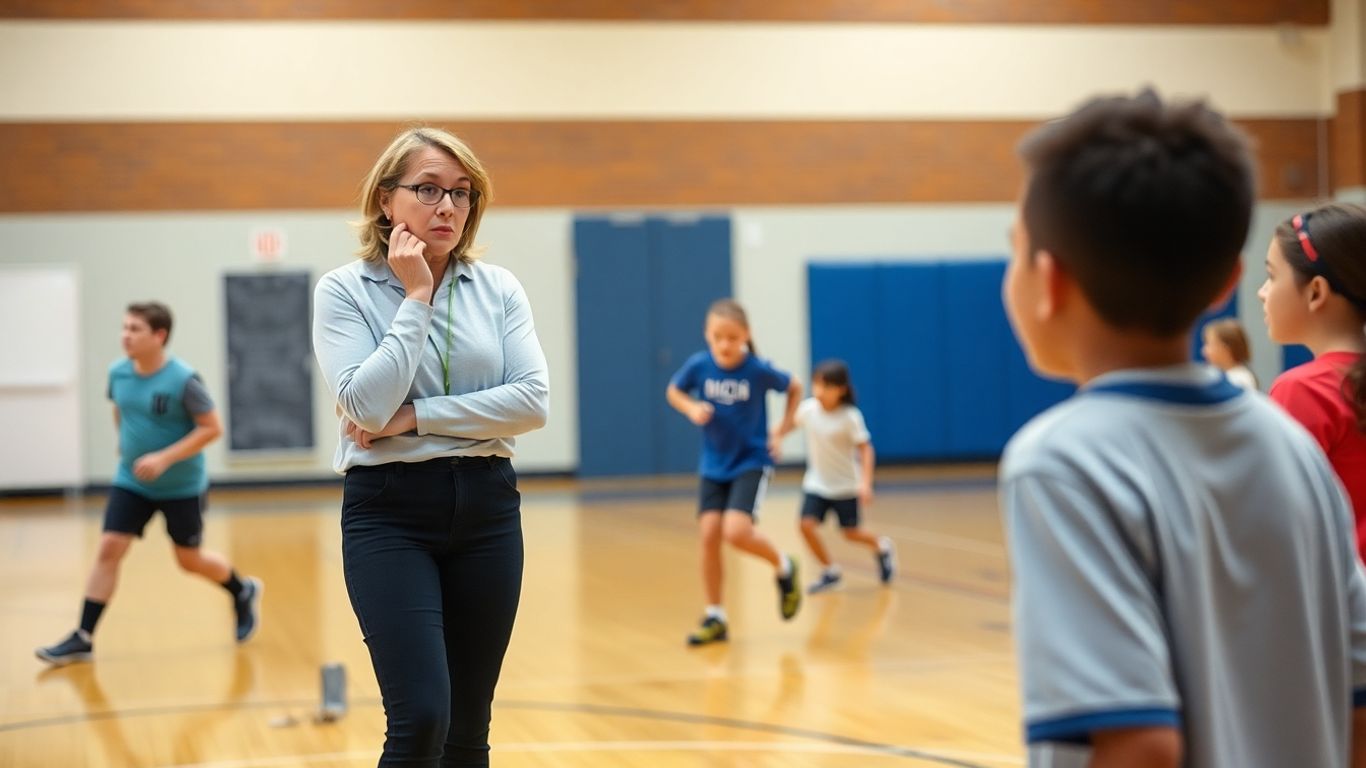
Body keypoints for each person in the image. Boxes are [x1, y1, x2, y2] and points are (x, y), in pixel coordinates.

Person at [999, 90, 1366, 767]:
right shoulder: (1293, 450)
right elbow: (1358, 698)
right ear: (1227, 281)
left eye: (1014, 251)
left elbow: (1137, 747)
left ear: (1048, 280)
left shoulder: (1060, 463)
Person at [312, 126, 548, 767]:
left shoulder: (498, 288)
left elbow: (531, 402)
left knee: (469, 730)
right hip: (390, 513)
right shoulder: (344, 291)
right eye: (429, 189)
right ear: (388, 201)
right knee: (420, 720)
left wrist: (413, 416)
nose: (448, 207)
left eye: (462, 194)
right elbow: (363, 407)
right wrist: (415, 295)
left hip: (488, 510)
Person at [36, 302, 261, 666]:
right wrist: (124, 444)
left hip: (181, 486)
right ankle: (83, 637)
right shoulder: (118, 373)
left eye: (135, 329)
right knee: (109, 547)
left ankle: (242, 590)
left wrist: (163, 458)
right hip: (132, 481)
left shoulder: (184, 380)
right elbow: (120, 408)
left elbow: (212, 428)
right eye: (124, 327)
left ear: (159, 336)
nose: (125, 335)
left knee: (188, 560)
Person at [666, 298, 803, 646]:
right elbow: (674, 391)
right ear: (707, 335)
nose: (725, 344)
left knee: (736, 532)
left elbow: (795, 386)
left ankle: (784, 565)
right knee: (709, 534)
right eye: (717, 337)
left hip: (751, 461)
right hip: (714, 465)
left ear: (746, 335)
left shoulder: (757, 370)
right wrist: (691, 408)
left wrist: (783, 429)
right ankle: (716, 615)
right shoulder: (699, 365)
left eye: (732, 337)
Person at [1260, 202, 1366, 553]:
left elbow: (1276, 526)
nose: (1262, 292)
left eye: (1272, 276)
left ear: (1316, 292)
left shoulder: (1302, 389)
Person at [775, 359, 894, 593]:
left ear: (841, 389)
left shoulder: (850, 417)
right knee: (805, 525)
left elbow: (866, 449)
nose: (819, 391)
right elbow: (786, 426)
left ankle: (882, 547)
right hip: (817, 483)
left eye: (826, 387)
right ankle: (830, 571)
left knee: (851, 533)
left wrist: (866, 483)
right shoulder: (809, 409)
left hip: (845, 486)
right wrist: (773, 437)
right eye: (817, 385)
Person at [1200, 317, 1258, 390]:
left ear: (1226, 349)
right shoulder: (1225, 376)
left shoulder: (1240, 380)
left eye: (1209, 344)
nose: (1204, 350)